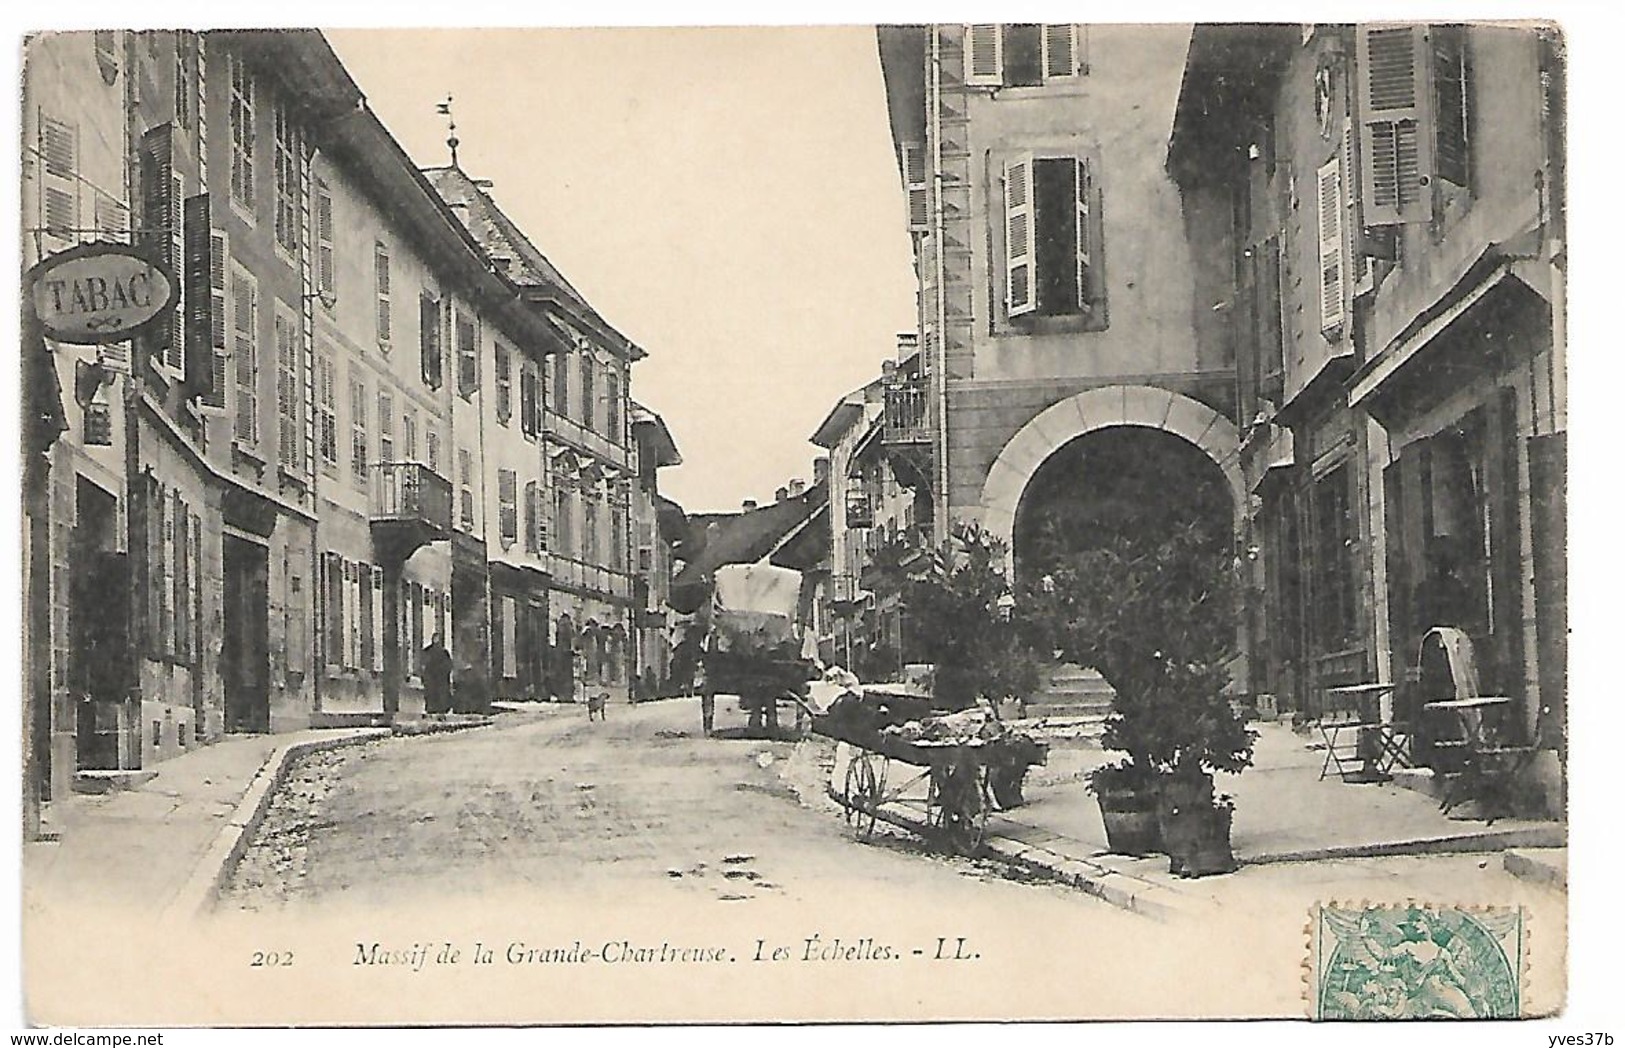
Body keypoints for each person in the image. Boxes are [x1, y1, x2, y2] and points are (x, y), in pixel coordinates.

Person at [422, 634, 452, 715]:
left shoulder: (443, 652)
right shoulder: (428, 651)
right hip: (433, 678)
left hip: (440, 678)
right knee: (433, 693)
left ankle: (440, 709)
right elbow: (424, 665)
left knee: (439, 694)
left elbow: (448, 665)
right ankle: (434, 708)